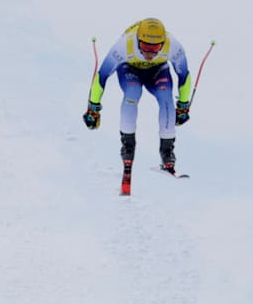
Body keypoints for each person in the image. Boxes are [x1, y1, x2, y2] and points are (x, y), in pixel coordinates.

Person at [82, 18, 192, 194]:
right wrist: (93, 108)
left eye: (155, 48)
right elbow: (101, 76)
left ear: (163, 43)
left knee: (166, 99)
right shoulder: (123, 46)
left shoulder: (173, 46)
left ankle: (167, 153)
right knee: (132, 94)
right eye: (145, 46)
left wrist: (184, 105)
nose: (149, 53)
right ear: (137, 40)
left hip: (158, 71)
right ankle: (127, 146)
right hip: (129, 70)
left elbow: (184, 75)